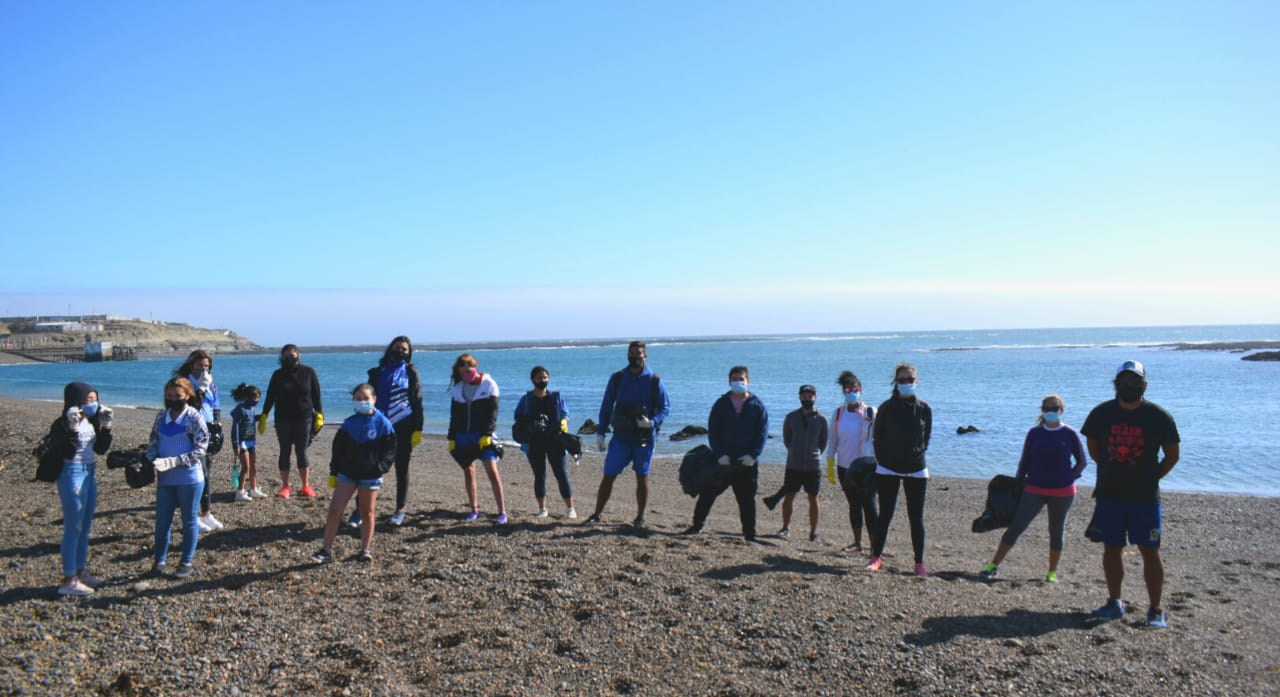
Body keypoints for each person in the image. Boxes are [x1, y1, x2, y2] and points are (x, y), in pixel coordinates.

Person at [1081, 360, 1180, 628]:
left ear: (1144, 385)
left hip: (1145, 498)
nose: (1129, 385)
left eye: (1135, 381)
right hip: (1110, 494)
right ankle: (1115, 602)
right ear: (1116, 384)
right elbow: (1094, 447)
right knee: (1111, 549)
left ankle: (1156, 608)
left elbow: (1172, 455)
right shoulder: (1101, 413)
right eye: (1124, 381)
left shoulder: (1159, 416)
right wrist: (1110, 470)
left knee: (1150, 550)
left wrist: (1152, 477)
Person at [980, 394, 1088, 582]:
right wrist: (1018, 484)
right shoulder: (1034, 433)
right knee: (1016, 527)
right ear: (1042, 411)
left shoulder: (1070, 433)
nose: (1050, 412)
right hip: (1034, 489)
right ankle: (993, 565)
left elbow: (1082, 462)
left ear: (1061, 411)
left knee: (1056, 532)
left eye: (1054, 409)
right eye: (1046, 408)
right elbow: (1025, 461)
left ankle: (1051, 573)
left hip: (1063, 492)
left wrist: (1069, 477)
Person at [586, 341, 670, 528]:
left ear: (645, 356)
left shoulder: (654, 380)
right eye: (631, 353)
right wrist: (601, 432)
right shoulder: (617, 378)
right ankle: (596, 514)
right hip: (621, 438)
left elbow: (665, 407)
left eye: (639, 353)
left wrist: (652, 423)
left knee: (642, 476)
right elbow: (607, 406)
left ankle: (640, 517)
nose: (635, 357)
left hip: (644, 439)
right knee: (609, 476)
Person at [312, 384, 397, 564]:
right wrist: (334, 472)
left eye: (366, 398)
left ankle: (365, 550)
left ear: (374, 399)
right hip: (347, 474)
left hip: (370, 476)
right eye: (358, 399)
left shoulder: (383, 423)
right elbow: (338, 450)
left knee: (367, 513)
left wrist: (381, 467)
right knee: (335, 510)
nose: (362, 402)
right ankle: (326, 550)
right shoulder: (349, 423)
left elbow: (390, 450)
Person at [683, 365, 768, 541]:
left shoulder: (757, 406)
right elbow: (713, 431)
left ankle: (749, 535)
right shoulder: (721, 404)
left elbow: (762, 433)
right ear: (729, 382)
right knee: (707, 494)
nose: (738, 382)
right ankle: (696, 525)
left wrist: (753, 455)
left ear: (748, 381)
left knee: (746, 500)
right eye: (735, 380)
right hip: (723, 462)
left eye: (741, 379)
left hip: (746, 463)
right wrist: (720, 454)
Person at [866, 363, 933, 577]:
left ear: (916, 381)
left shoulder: (924, 408)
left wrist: (917, 452)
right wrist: (884, 459)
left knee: (916, 517)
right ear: (896, 382)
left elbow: (926, 437)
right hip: (888, 469)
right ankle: (876, 557)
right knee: (885, 514)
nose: (906, 384)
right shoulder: (886, 407)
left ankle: (919, 563)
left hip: (916, 469)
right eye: (902, 380)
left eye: (910, 380)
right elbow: (877, 437)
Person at [48, 382, 113, 596]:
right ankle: (68, 579)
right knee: (73, 528)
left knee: (85, 527)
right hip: (71, 473)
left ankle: (80, 571)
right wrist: (73, 428)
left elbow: (101, 449)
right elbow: (67, 451)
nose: (92, 404)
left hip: (90, 472)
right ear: (76, 402)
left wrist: (106, 427)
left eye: (94, 399)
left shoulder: (91, 422)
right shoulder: (62, 424)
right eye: (88, 400)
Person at [351, 336, 423, 528]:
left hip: (404, 426)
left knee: (402, 468)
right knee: (368, 467)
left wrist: (418, 428)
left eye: (405, 349)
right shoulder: (378, 372)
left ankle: (400, 509)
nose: (400, 351)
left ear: (409, 353)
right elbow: (367, 397)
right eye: (397, 348)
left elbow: (417, 400)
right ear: (390, 349)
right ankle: (359, 510)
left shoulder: (410, 373)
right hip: (378, 424)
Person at [148, 377, 211, 579]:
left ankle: (186, 561)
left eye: (178, 396)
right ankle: (159, 561)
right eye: (169, 396)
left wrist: (176, 461)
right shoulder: (160, 417)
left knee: (189, 521)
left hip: (190, 478)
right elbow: (154, 444)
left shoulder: (194, 417)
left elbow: (202, 447)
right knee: (162, 522)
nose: (173, 399)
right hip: (165, 479)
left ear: (187, 396)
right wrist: (146, 460)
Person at [447, 354, 508, 524]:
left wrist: (487, 435)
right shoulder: (458, 388)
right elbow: (454, 415)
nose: (467, 372)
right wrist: (452, 437)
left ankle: (502, 512)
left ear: (476, 367)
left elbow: (493, 413)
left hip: (483, 437)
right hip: (463, 436)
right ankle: (474, 509)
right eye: (463, 369)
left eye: (470, 368)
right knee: (469, 472)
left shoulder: (489, 385)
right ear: (459, 371)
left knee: (492, 472)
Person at [258, 344, 324, 499]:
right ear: (282, 357)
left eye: (292, 355)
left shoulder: (309, 372)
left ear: (298, 355)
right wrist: (264, 414)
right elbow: (270, 396)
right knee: (284, 451)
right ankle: (285, 486)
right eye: (286, 356)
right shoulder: (277, 375)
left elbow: (316, 395)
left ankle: (305, 486)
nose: (290, 358)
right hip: (283, 419)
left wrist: (320, 414)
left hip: (304, 418)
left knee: (302, 451)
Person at [763, 384, 828, 542]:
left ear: (815, 397)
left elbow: (823, 442)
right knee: (789, 496)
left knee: (813, 498)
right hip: (794, 464)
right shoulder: (791, 417)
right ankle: (785, 528)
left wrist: (815, 454)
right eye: (804, 396)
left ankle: (813, 533)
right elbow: (787, 439)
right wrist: (794, 452)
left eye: (810, 396)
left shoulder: (821, 419)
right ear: (800, 397)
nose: (807, 399)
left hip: (813, 466)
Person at [825, 371, 878, 553]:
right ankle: (857, 542)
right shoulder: (838, 413)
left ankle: (874, 547)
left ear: (860, 390)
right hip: (845, 468)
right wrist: (830, 464)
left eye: (855, 389)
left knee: (870, 506)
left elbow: (880, 439)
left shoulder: (871, 412)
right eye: (848, 390)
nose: (852, 392)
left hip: (868, 468)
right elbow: (833, 441)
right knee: (854, 505)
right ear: (844, 392)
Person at [513, 366, 576, 518]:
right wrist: (529, 426)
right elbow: (518, 417)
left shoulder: (556, 397)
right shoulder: (526, 399)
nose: (543, 380)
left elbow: (565, 413)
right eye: (540, 378)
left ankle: (570, 509)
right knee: (540, 475)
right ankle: (542, 509)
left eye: (545, 377)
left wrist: (564, 423)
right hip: (534, 442)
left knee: (561, 474)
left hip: (555, 440)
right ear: (533, 379)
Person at [175, 350, 223, 531]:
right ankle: (192, 515)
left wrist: (217, 423)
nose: (203, 369)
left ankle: (207, 512)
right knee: (195, 473)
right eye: (199, 366)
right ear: (191, 365)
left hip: (208, 428)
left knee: (206, 473)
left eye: (206, 366)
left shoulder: (211, 381)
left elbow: (215, 404)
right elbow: (191, 406)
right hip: (189, 430)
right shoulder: (183, 383)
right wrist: (201, 389)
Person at [229, 383, 265, 501]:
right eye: (254, 398)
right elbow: (236, 428)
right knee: (245, 467)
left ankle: (253, 489)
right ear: (247, 397)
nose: (256, 400)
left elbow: (251, 419)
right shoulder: (240, 409)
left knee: (253, 465)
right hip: (242, 442)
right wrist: (236, 444)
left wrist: (262, 417)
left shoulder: (251, 409)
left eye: (258, 398)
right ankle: (240, 491)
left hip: (251, 441)